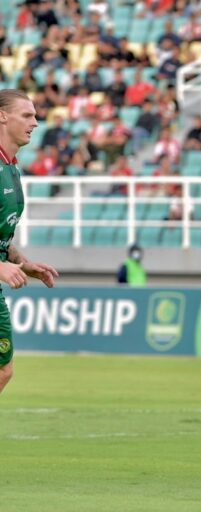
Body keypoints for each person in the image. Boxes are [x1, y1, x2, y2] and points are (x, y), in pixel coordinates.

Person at [0, 89, 59, 394]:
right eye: (27, 115)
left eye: (35, 115)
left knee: (3, 370)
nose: (35, 122)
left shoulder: (10, 168)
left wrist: (23, 264)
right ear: (2, 116)